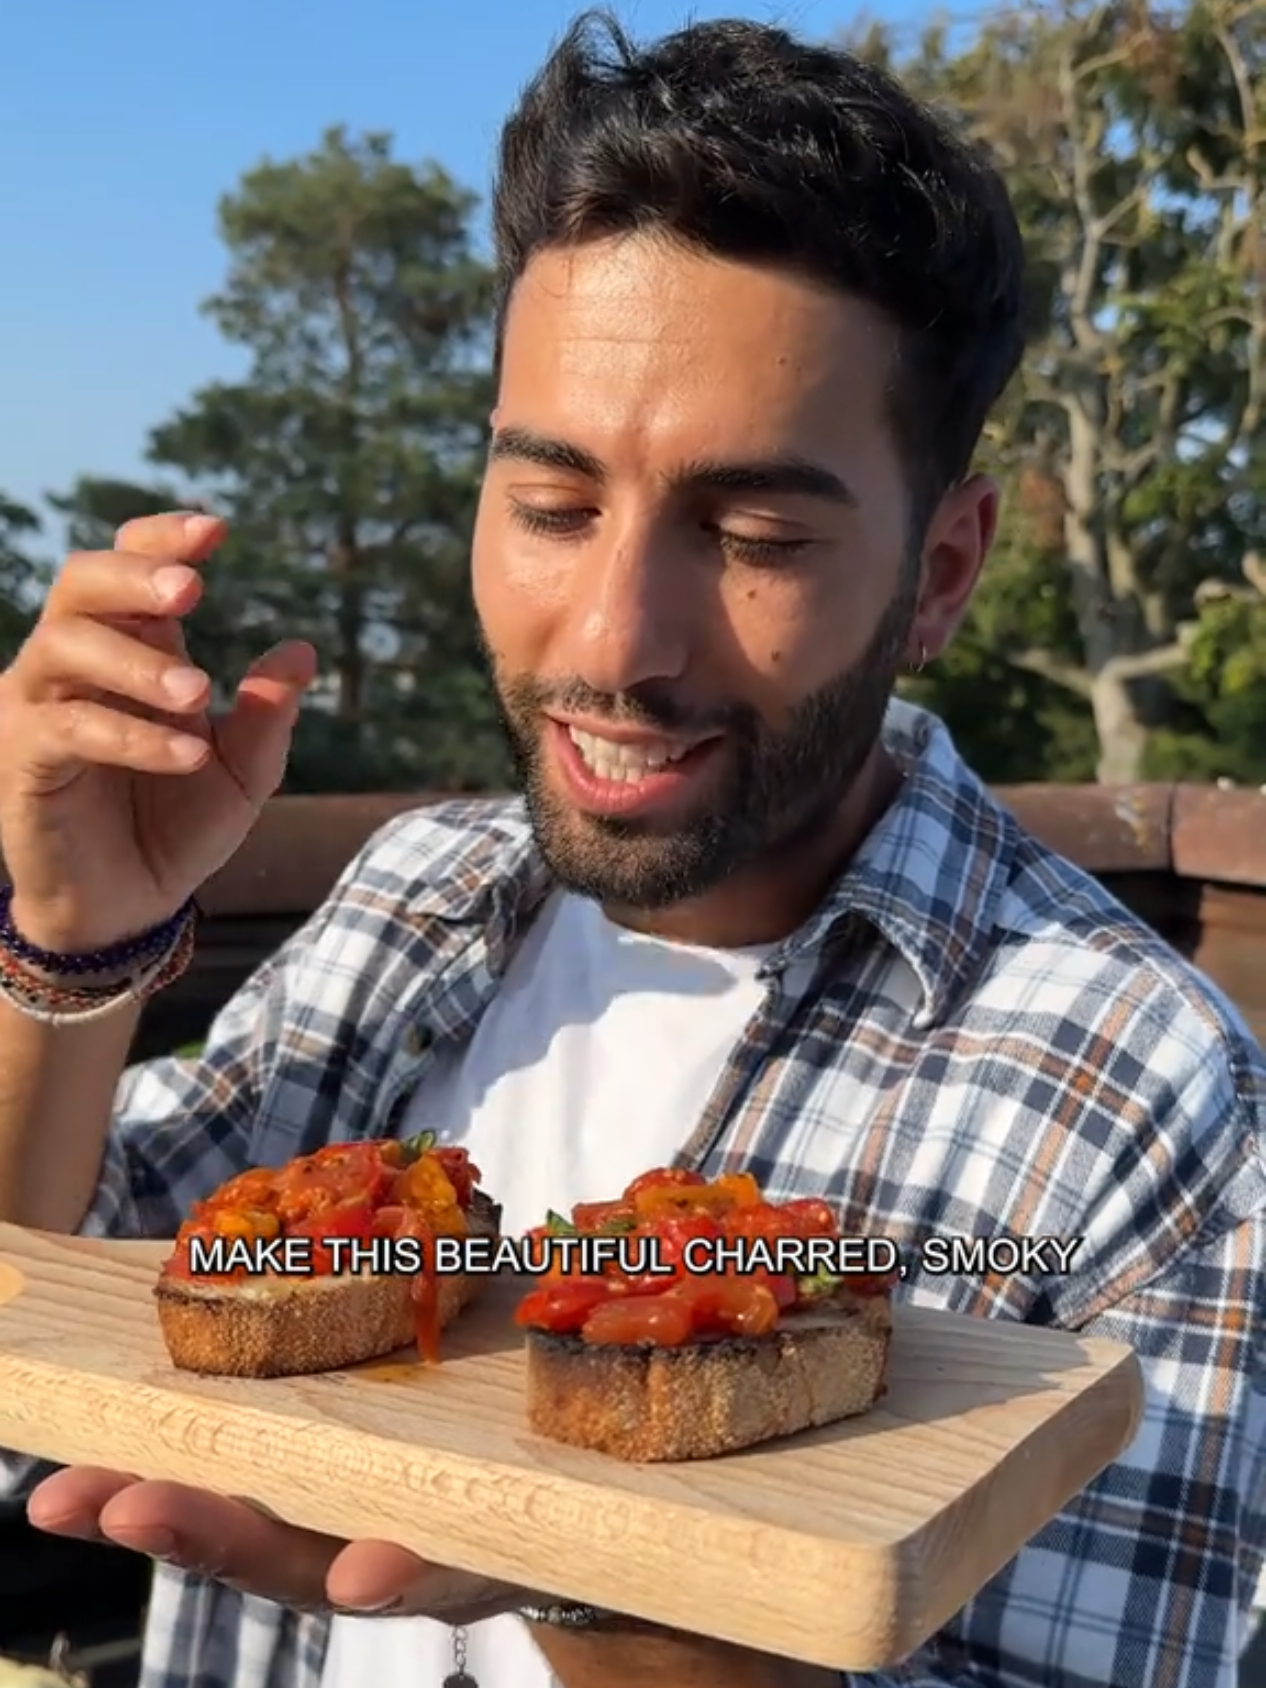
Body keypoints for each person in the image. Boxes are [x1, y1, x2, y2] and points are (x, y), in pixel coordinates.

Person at [0, 9, 1262, 1688]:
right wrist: (73, 955)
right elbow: (59, 1312)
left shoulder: (1141, 1099)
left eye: (751, 535)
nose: (612, 640)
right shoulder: (411, 905)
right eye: (551, 507)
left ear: (944, 568)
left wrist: (570, 1574)